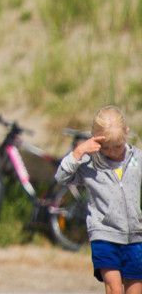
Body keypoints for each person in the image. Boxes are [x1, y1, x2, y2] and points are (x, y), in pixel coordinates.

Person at [55, 106, 141, 294]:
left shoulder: (138, 160)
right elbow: (61, 177)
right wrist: (77, 154)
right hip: (104, 235)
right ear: (94, 140)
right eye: (105, 147)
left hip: (135, 236)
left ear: (127, 133)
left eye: (117, 146)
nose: (111, 152)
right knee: (114, 289)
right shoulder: (89, 165)